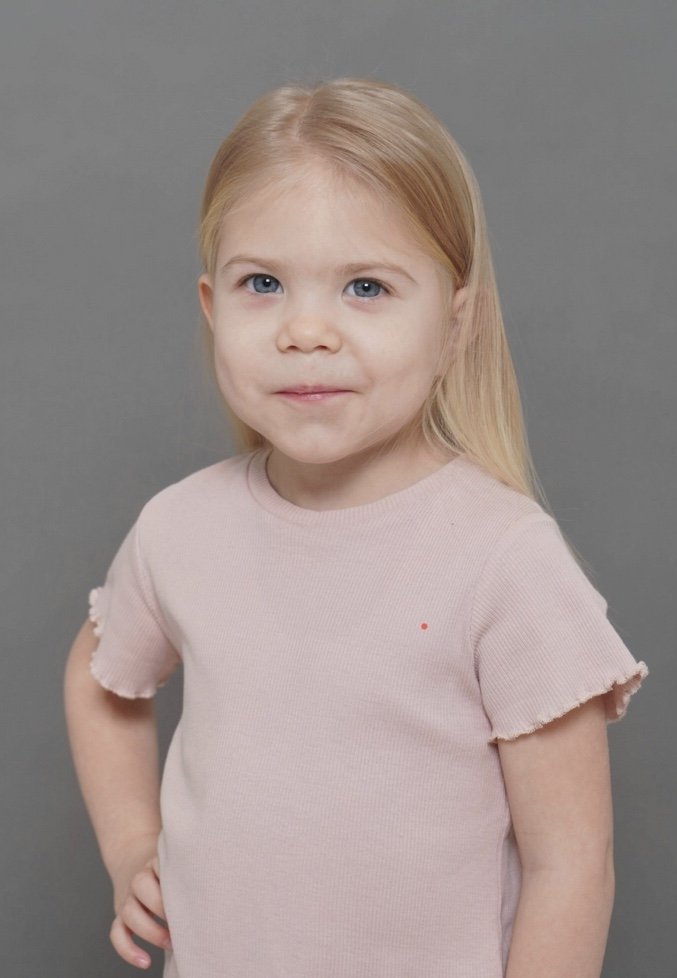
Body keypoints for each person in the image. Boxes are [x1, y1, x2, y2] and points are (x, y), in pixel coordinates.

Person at [63, 76, 649, 978]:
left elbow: (571, 865)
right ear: (212, 306)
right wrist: (131, 845)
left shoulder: (500, 559)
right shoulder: (180, 528)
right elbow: (103, 677)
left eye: (365, 287)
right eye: (263, 283)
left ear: (455, 323)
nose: (306, 331)